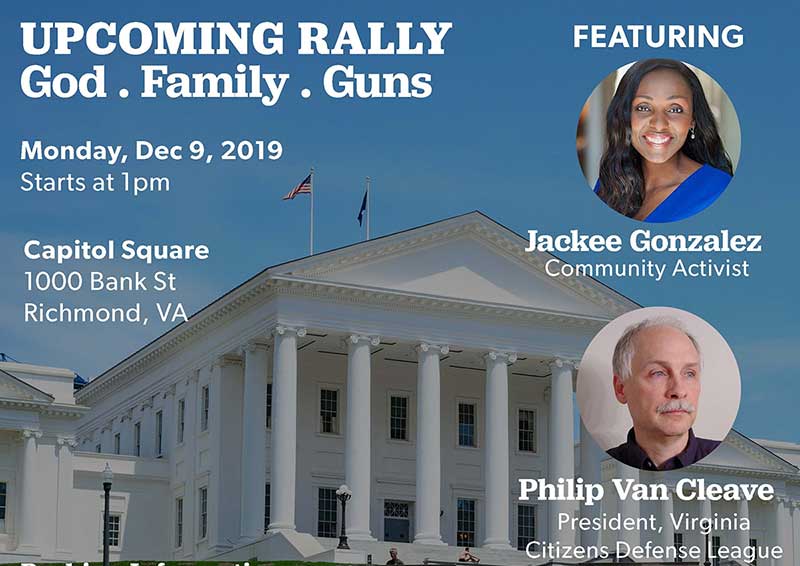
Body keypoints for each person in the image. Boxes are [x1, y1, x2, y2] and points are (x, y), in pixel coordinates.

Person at [595, 59, 733, 222]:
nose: (659, 124)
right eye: (644, 107)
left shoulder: (718, 190)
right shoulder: (611, 183)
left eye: (675, 109)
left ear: (692, 120)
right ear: (625, 117)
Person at [607, 317, 721, 470]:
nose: (679, 391)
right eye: (658, 373)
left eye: (689, 373)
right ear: (621, 389)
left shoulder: (720, 455)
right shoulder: (599, 466)